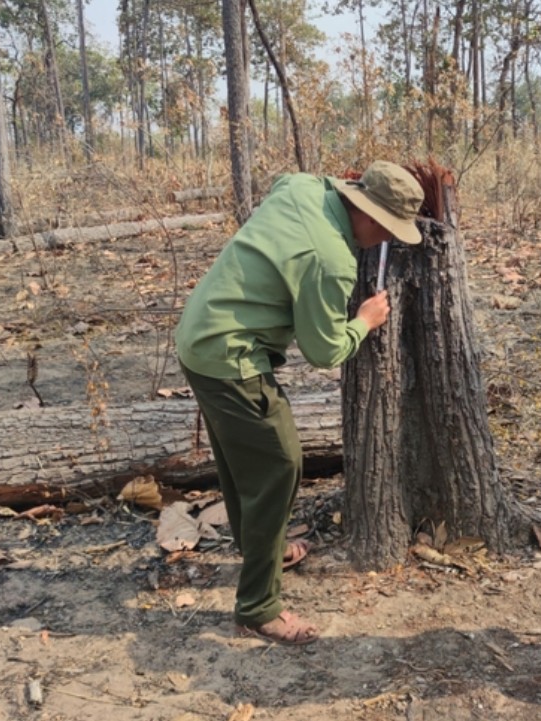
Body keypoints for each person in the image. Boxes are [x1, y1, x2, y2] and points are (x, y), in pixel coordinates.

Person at [175, 161, 424, 646]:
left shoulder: (303, 188)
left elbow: (278, 185)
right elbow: (325, 349)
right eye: (390, 231)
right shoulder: (331, 258)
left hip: (199, 336)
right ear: (370, 218)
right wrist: (365, 321)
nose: (385, 243)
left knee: (241, 458)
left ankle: (257, 547)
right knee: (279, 464)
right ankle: (258, 608)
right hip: (230, 355)